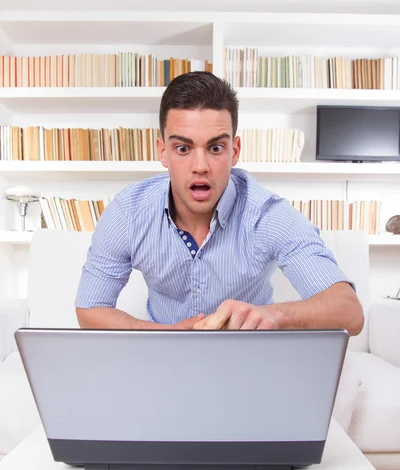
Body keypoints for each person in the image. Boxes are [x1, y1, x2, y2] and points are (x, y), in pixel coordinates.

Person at [75, 71, 364, 335]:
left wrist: (272, 316)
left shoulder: (267, 215)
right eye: (183, 148)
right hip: (163, 358)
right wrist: (164, 334)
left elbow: (349, 312)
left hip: (250, 362)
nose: (200, 166)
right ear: (163, 152)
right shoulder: (128, 212)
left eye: (215, 148)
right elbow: (90, 309)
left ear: (234, 151)